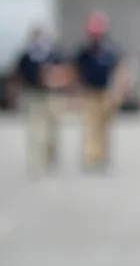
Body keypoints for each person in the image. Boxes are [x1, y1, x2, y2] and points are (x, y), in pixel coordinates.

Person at [13, 25, 70, 175]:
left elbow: (65, 72)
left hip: (52, 96)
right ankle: (36, 163)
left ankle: (50, 160)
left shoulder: (53, 54)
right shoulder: (26, 56)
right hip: (33, 96)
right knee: (36, 132)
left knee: (52, 132)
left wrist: (56, 81)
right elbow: (18, 77)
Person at [74, 11, 125, 171]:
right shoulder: (84, 52)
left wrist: (118, 91)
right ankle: (90, 158)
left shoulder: (110, 51)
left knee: (104, 128)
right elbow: (77, 72)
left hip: (105, 93)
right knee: (90, 127)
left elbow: (119, 70)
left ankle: (102, 157)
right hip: (89, 93)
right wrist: (76, 93)